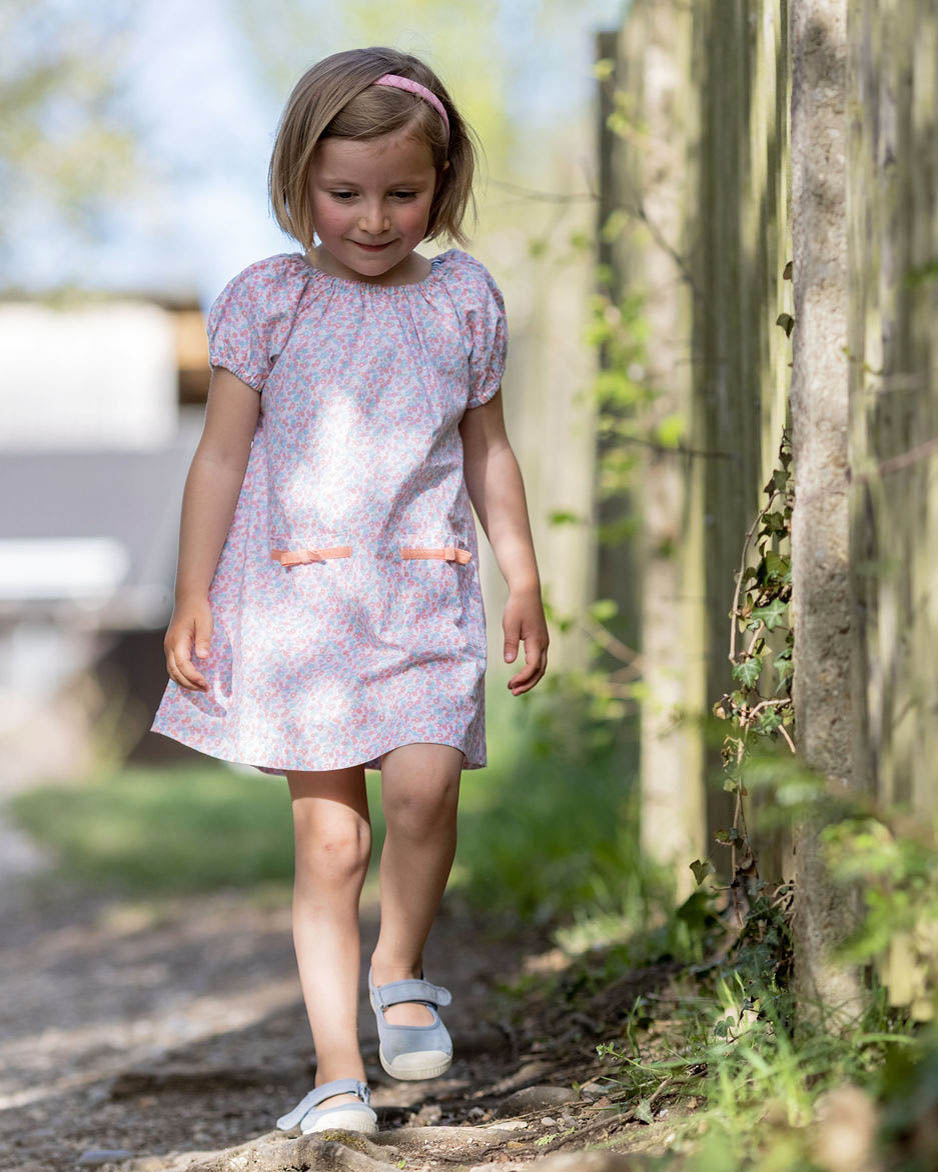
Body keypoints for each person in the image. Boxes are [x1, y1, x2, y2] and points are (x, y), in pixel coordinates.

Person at [149, 45, 549, 1136]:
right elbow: (221, 458)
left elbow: (489, 453)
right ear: (299, 185)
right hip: (301, 610)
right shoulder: (266, 303)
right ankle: (335, 1071)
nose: (373, 219)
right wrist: (194, 591)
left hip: (421, 594)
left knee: (423, 791)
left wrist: (521, 574)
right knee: (333, 842)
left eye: (401, 194)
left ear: (443, 183)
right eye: (344, 195)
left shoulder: (463, 299)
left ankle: (398, 963)